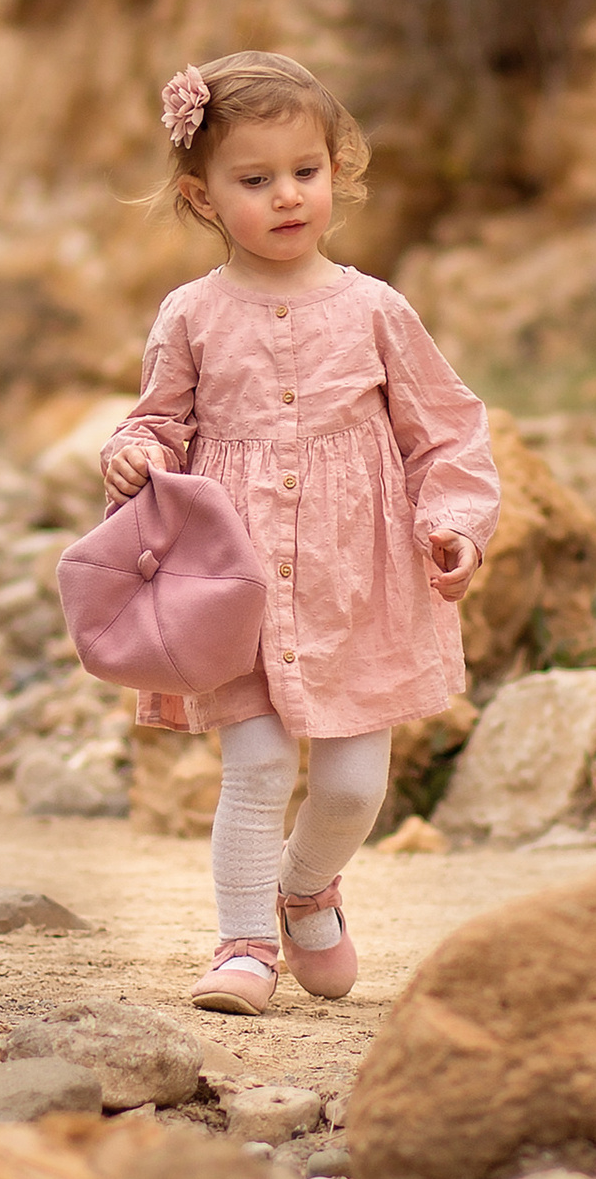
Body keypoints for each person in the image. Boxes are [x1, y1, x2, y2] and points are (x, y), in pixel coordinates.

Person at [101, 49, 501, 1015]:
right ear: (201, 198)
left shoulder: (375, 309)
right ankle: (242, 944)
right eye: (255, 179)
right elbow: (159, 418)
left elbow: (443, 430)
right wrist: (133, 454)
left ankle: (304, 888)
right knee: (260, 763)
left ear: (338, 172)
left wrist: (452, 522)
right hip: (231, 579)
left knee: (357, 783)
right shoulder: (191, 314)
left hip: (350, 580)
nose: (287, 196)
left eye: (305, 173)